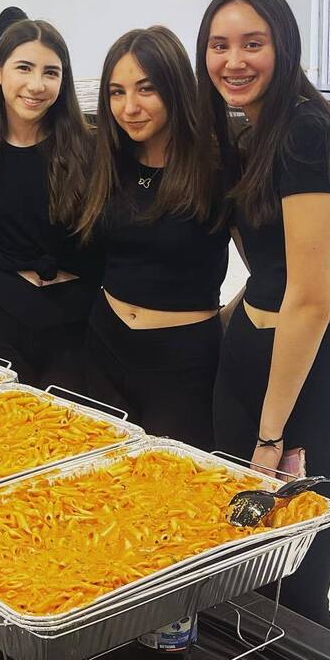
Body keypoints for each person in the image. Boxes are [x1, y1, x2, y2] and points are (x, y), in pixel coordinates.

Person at [200, 0, 330, 631]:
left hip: (312, 388)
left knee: (299, 586)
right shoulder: (251, 135)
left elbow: (308, 302)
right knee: (245, 569)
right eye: (219, 45)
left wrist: (270, 435)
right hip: (248, 366)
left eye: (253, 44)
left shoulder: (310, 132)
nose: (234, 60)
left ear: (285, 46)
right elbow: (274, 273)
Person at [78, 26, 232, 448]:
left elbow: (276, 271)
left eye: (146, 89)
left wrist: (217, 324)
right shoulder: (109, 160)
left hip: (183, 361)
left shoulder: (216, 167)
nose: (128, 108)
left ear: (175, 88)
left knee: (172, 495)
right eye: (115, 92)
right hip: (104, 347)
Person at [0, 19, 101, 388]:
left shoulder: (92, 149)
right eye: (24, 68)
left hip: (77, 319)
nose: (37, 85)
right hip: (4, 312)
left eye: (51, 72)